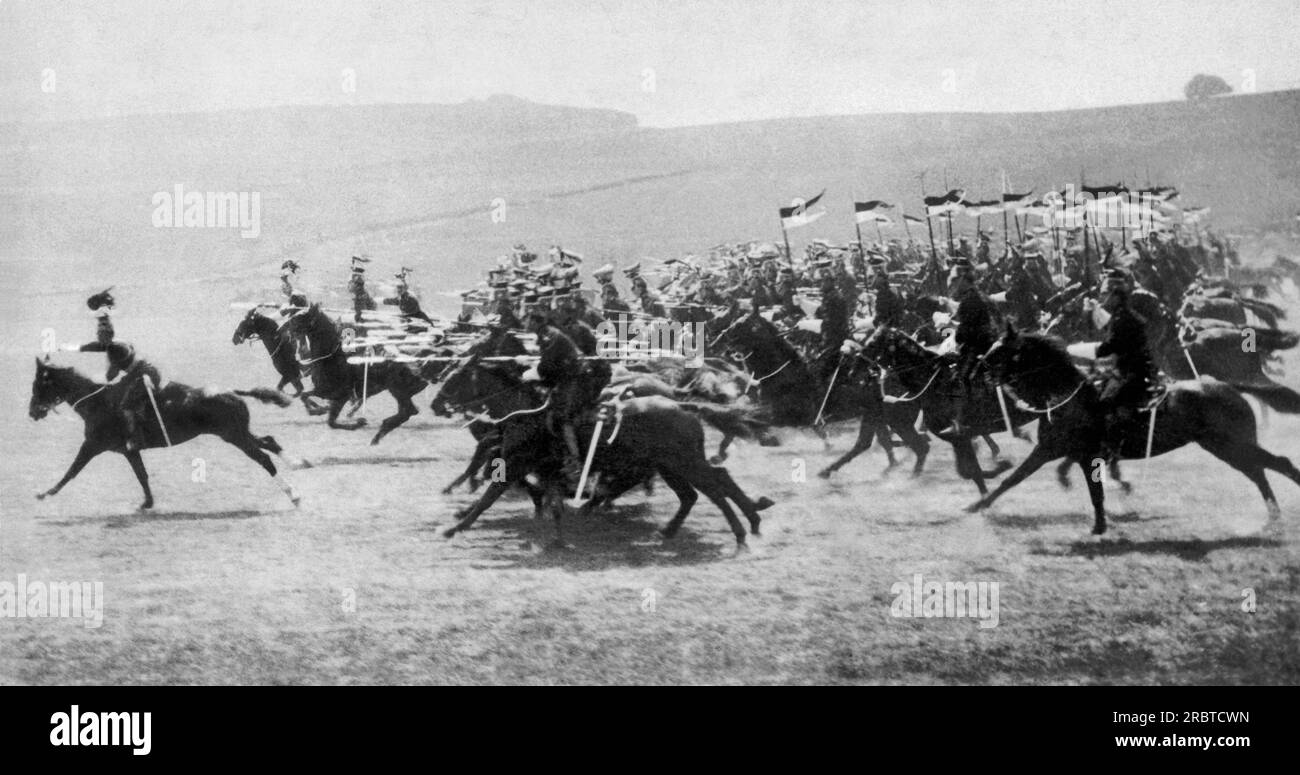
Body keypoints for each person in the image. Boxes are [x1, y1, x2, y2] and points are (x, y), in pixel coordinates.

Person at [525, 308, 610, 485]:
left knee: (563, 417)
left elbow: (545, 366)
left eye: (529, 320)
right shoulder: (545, 334)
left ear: (536, 322)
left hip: (578, 378)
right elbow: (548, 362)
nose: (525, 323)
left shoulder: (549, 335)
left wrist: (530, 369)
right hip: (567, 376)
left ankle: (574, 461)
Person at [1095, 281, 1159, 457]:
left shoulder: (1123, 319)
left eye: (1105, 293)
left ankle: (1113, 446)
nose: (1102, 297)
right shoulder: (1120, 316)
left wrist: (1091, 352)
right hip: (1126, 367)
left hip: (1131, 371)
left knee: (1105, 402)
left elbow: (1111, 345)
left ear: (1116, 297)